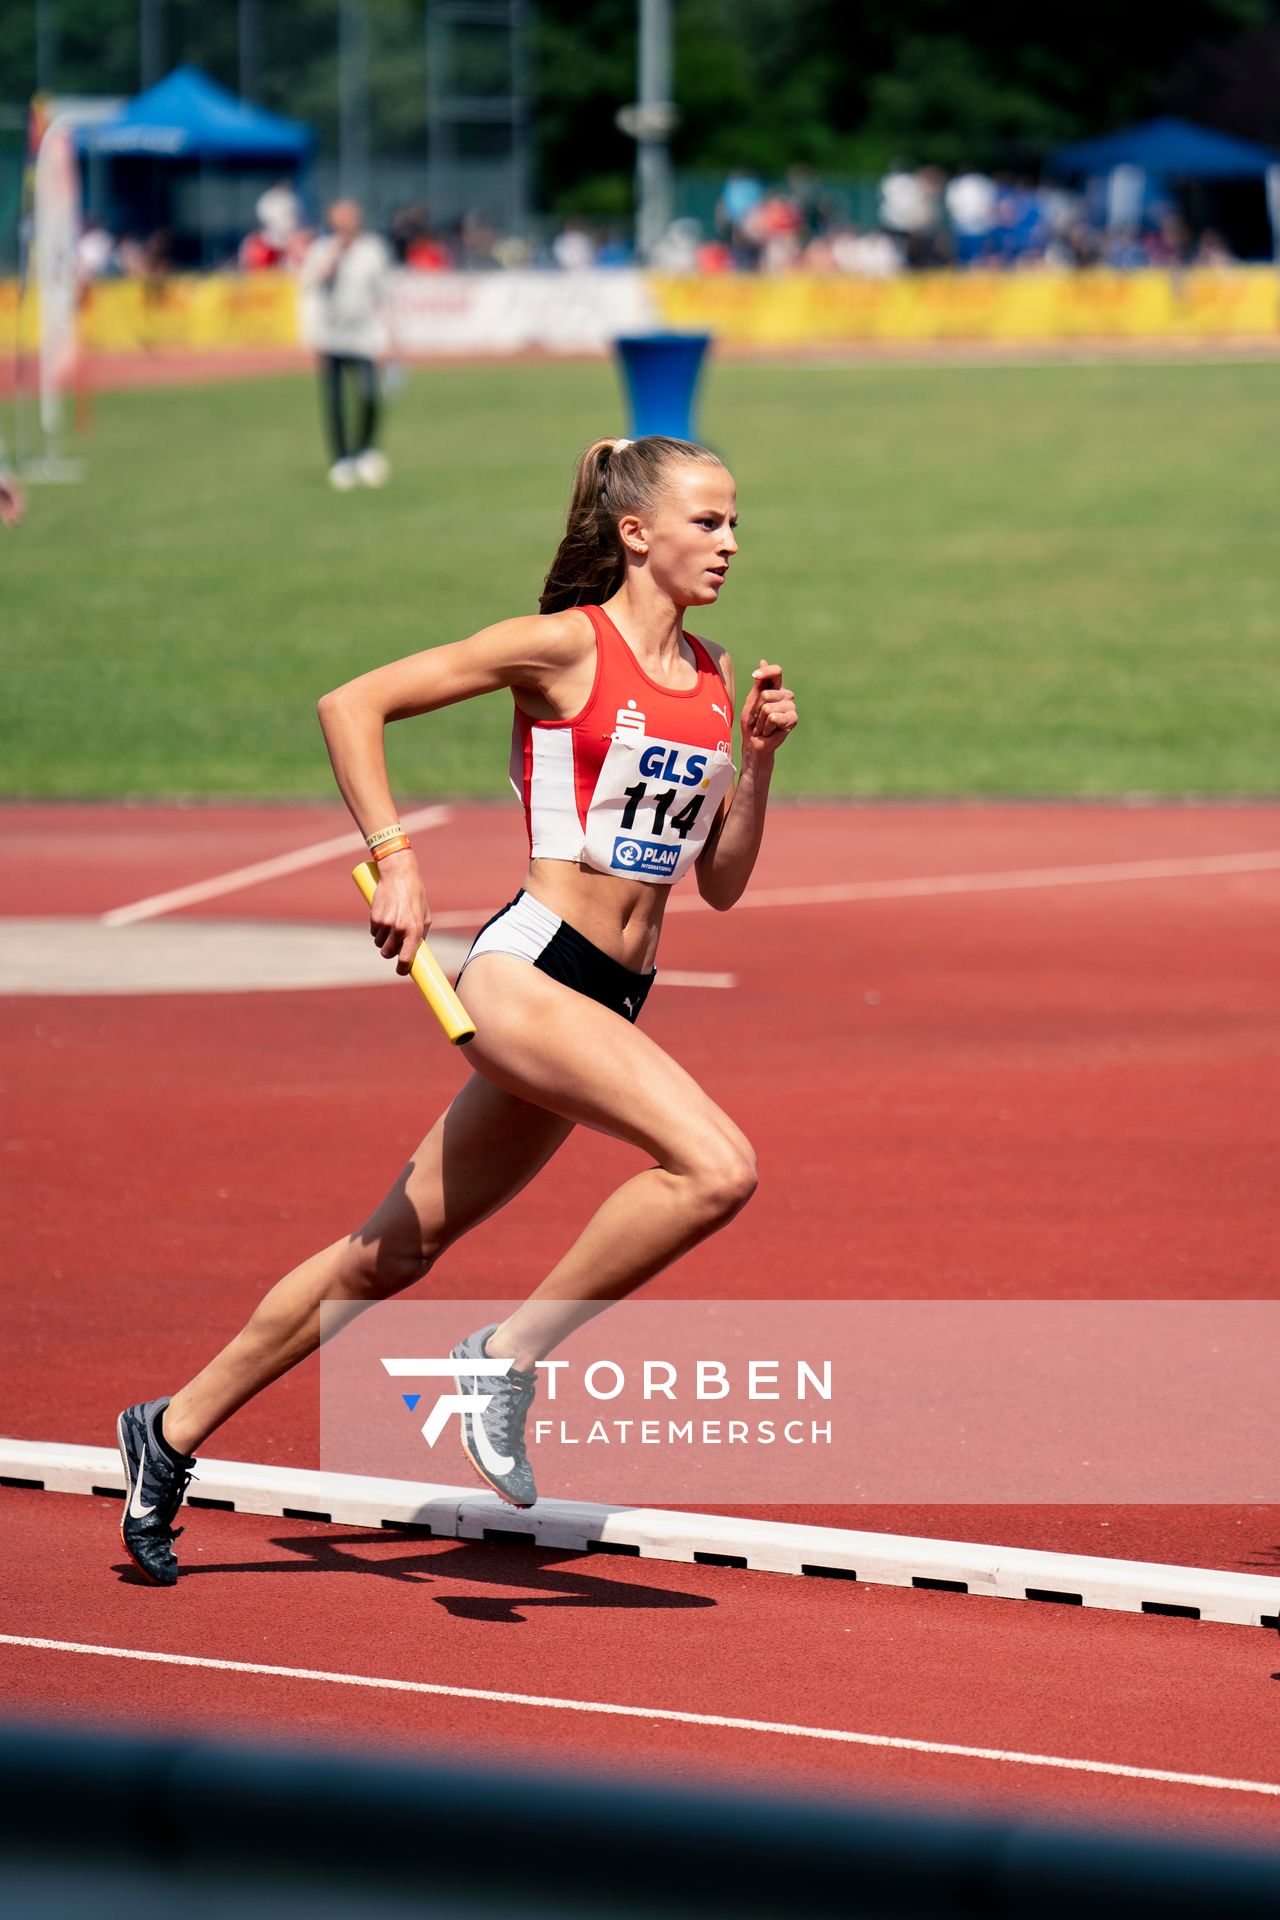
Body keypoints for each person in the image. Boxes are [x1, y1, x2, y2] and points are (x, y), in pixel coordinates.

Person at [115, 433, 798, 1586]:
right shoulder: (559, 649)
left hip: (610, 997)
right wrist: (397, 862)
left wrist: (762, 761)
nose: (729, 544)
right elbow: (353, 704)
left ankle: (168, 1430)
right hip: (526, 971)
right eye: (707, 523)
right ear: (636, 534)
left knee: (389, 1255)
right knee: (715, 1167)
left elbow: (718, 888)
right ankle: (505, 1359)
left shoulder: (717, 672)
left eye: (736, 524)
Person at [298, 199, 392, 490]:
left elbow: (384, 295)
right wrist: (332, 259)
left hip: (364, 336)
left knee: (367, 395)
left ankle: (365, 449)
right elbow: (307, 286)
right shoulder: (322, 250)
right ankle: (341, 461)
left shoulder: (373, 250)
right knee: (334, 401)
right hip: (331, 336)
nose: (346, 224)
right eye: (340, 220)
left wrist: (387, 338)